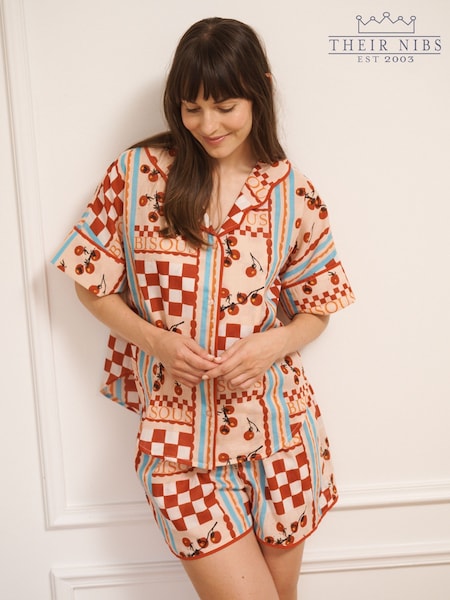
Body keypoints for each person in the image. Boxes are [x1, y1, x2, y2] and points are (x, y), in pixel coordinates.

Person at [52, 17, 355, 600]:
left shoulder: (292, 192)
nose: (208, 126)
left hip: (280, 435)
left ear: (260, 91)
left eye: (225, 106)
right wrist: (157, 342)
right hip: (177, 444)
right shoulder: (137, 175)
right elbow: (90, 283)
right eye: (192, 109)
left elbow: (318, 306)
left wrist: (274, 342)